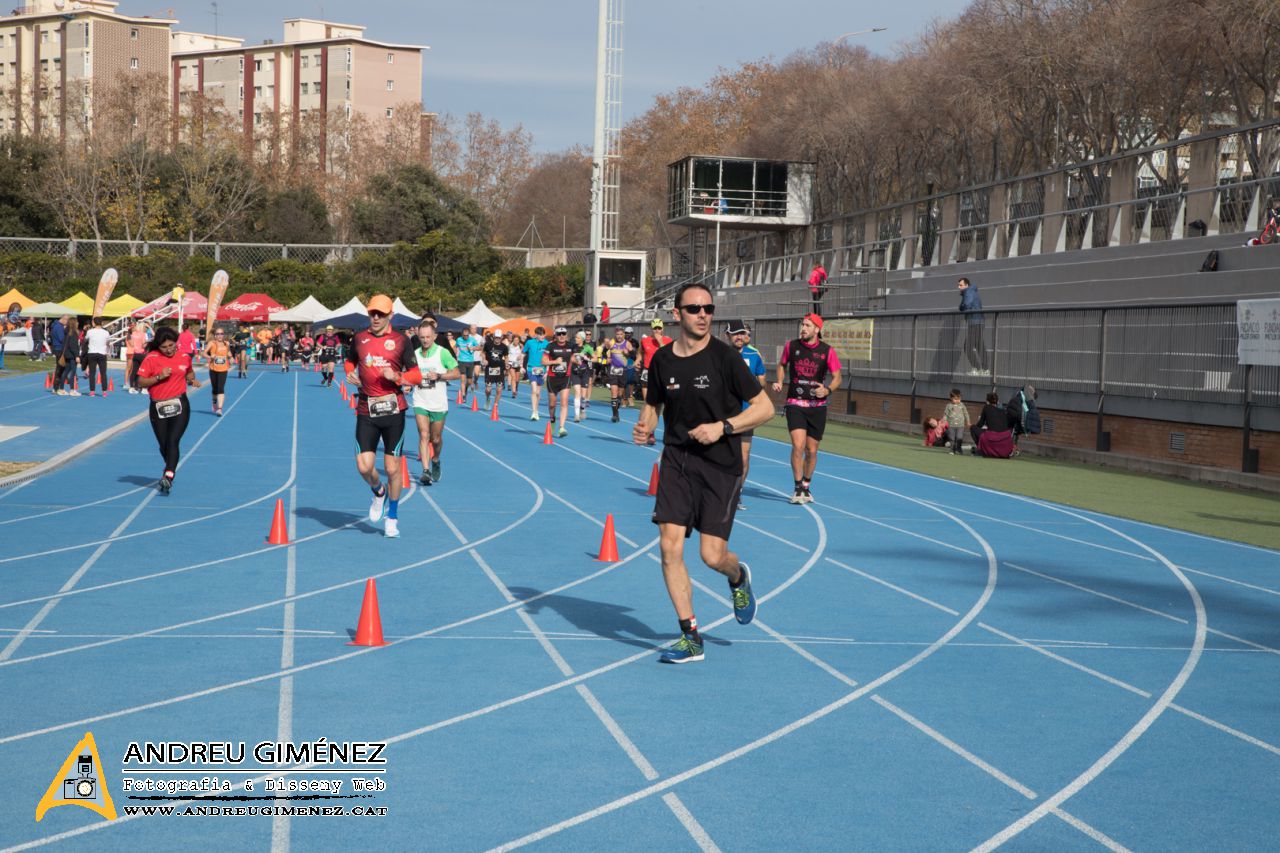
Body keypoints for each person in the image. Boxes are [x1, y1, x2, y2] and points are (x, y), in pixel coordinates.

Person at [633, 282, 772, 664]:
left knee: (712, 556)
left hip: (720, 464)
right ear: (677, 314)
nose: (703, 315)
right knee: (668, 547)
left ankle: (737, 577)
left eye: (708, 308)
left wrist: (723, 427)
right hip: (677, 459)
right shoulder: (661, 360)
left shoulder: (726, 358)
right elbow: (653, 406)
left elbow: (765, 409)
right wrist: (645, 426)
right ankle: (690, 636)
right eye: (694, 308)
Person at [344, 294, 424, 538]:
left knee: (392, 468)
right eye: (372, 313)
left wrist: (398, 378)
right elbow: (349, 361)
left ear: (390, 315)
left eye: (380, 313)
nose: (375, 317)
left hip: (393, 410)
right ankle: (379, 492)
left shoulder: (402, 341)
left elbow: (417, 376)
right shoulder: (359, 338)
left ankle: (393, 517)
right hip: (367, 409)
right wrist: (349, 373)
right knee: (363, 466)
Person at [773, 313, 842, 504]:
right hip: (795, 403)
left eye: (807, 326)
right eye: (802, 325)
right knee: (798, 445)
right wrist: (779, 381)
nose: (803, 328)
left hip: (817, 407)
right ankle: (796, 488)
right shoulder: (791, 346)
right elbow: (781, 365)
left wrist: (827, 389)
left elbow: (838, 377)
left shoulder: (827, 351)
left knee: (811, 450)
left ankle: (806, 486)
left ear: (817, 330)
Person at [136, 325, 202, 495]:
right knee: (163, 444)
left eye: (171, 345)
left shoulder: (184, 357)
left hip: (180, 404)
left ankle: (169, 475)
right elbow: (140, 382)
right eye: (164, 347)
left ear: (176, 343)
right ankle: (170, 465)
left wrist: (192, 380)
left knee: (173, 441)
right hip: (158, 406)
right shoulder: (151, 358)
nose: (168, 350)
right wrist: (158, 377)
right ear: (158, 346)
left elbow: (189, 373)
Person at [407, 316, 460, 486]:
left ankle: (435, 459)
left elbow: (457, 373)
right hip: (420, 400)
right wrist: (408, 384)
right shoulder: (414, 355)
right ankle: (425, 470)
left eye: (428, 337)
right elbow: (409, 374)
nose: (425, 340)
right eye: (422, 337)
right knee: (424, 434)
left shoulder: (442, 352)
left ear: (434, 336)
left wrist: (439, 376)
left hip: (438, 402)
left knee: (435, 439)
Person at [727, 321, 767, 506]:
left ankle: (737, 492)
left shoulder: (754, 355)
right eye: (735, 333)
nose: (739, 337)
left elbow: (762, 382)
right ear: (727, 335)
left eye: (742, 333)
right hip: (724, 414)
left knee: (743, 456)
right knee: (723, 455)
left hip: (746, 414)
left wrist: (752, 384)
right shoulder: (720, 355)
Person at [638, 319, 674, 442]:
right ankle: (646, 430)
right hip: (647, 373)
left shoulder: (668, 341)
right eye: (655, 328)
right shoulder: (645, 341)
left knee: (658, 406)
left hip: (661, 374)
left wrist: (660, 342)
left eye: (659, 328)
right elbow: (640, 352)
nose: (657, 330)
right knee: (648, 403)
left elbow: (669, 355)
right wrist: (638, 361)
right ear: (651, 329)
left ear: (662, 329)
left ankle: (651, 431)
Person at [542, 326, 575, 437]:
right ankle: (552, 420)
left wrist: (578, 360)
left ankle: (561, 427)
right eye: (559, 334)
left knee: (564, 402)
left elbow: (574, 358)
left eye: (564, 334)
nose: (562, 336)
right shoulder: (550, 346)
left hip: (565, 377)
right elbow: (543, 361)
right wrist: (555, 361)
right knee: (552, 405)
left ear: (566, 335)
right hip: (552, 378)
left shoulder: (571, 346)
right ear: (556, 335)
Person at [958, 277, 988, 374]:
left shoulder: (969, 292)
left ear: (967, 285)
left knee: (967, 346)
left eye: (961, 285)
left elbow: (966, 304)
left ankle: (977, 369)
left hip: (974, 322)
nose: (959, 287)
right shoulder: (971, 292)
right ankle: (985, 369)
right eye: (958, 285)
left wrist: (962, 306)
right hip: (977, 322)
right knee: (979, 346)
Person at [602, 326, 633, 422]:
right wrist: (605, 360)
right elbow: (603, 352)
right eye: (617, 334)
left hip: (623, 370)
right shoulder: (612, 342)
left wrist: (628, 354)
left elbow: (633, 356)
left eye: (621, 334)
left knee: (620, 392)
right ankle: (615, 415)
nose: (619, 336)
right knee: (613, 392)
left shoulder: (627, 344)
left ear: (623, 334)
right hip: (613, 370)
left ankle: (619, 400)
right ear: (615, 334)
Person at [970, 390, 1014, 457]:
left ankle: (981, 450)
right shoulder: (1004, 410)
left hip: (992, 437)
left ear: (987, 401)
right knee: (988, 431)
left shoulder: (986, 407)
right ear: (997, 401)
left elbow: (980, 424)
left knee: (973, 428)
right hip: (1005, 439)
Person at [521, 326, 550, 420]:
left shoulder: (547, 344)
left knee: (538, 392)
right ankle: (533, 412)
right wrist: (521, 366)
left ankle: (536, 411)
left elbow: (549, 358)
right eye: (540, 334)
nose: (542, 336)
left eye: (543, 334)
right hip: (531, 369)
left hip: (542, 370)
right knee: (534, 390)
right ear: (536, 335)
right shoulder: (529, 342)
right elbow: (523, 354)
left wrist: (547, 371)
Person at [203, 326, 232, 415]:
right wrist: (209, 356)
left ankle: (219, 408)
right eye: (218, 334)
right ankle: (214, 402)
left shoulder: (227, 343)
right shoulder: (212, 343)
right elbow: (203, 353)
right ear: (215, 335)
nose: (220, 335)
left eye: (221, 334)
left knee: (220, 389)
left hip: (223, 369)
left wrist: (231, 358)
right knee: (214, 389)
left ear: (223, 335)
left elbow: (228, 353)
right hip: (213, 369)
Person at [570, 331, 595, 422]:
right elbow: (571, 358)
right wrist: (576, 361)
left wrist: (587, 358)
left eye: (577, 338)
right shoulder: (573, 347)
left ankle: (582, 410)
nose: (576, 339)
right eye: (575, 337)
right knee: (577, 392)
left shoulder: (587, 348)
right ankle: (576, 415)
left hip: (585, 373)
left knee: (583, 396)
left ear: (582, 339)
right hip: (575, 372)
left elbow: (595, 358)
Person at [455, 324, 482, 405]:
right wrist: (455, 354)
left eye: (467, 335)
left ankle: (466, 389)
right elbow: (455, 346)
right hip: (461, 361)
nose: (466, 337)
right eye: (464, 335)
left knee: (469, 381)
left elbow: (479, 348)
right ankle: (463, 396)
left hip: (470, 362)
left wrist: (473, 348)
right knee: (463, 379)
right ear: (462, 334)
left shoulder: (472, 339)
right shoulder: (459, 340)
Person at [482, 328, 508, 409]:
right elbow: (483, 353)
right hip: (489, 368)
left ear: (501, 338)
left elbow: (506, 357)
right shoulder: (488, 344)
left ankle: (495, 405)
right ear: (493, 337)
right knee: (488, 390)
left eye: (499, 338)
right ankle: (488, 399)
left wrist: (507, 366)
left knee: (499, 389)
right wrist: (484, 359)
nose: (497, 339)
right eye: (496, 337)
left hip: (499, 369)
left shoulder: (504, 347)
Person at [83, 317, 110, 396]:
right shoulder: (106, 332)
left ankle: (92, 391)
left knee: (92, 373)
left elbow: (85, 340)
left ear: (93, 323)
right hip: (102, 353)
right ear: (101, 323)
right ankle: (104, 391)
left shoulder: (90, 332)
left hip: (92, 353)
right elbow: (108, 343)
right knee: (103, 373)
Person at [55, 317, 80, 395]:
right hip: (72, 355)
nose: (78, 323)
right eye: (77, 322)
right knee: (72, 372)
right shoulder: (73, 333)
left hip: (67, 354)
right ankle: (72, 390)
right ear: (74, 323)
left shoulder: (66, 332)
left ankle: (61, 388)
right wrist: (77, 355)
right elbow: (73, 346)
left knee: (66, 371)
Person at [943, 388, 971, 455]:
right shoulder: (949, 406)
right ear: (951, 398)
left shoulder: (962, 405)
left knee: (959, 437)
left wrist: (968, 421)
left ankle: (958, 448)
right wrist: (944, 420)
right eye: (955, 399)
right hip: (951, 425)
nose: (957, 401)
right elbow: (946, 414)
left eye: (959, 399)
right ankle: (952, 449)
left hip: (960, 425)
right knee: (952, 438)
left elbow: (966, 413)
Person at [505, 332, 524, 398]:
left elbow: (523, 354)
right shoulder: (509, 346)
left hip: (517, 364)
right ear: (513, 340)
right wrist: (507, 363)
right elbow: (506, 355)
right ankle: (513, 392)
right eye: (515, 340)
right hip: (511, 363)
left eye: (517, 340)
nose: (516, 341)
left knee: (517, 379)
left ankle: (516, 388)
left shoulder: (521, 346)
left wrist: (521, 356)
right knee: (513, 377)